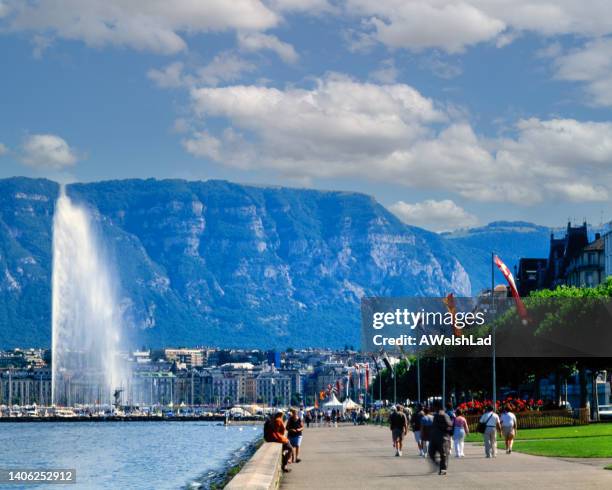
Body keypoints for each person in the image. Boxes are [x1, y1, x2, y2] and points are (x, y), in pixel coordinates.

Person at [428, 401, 453, 475]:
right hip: (434, 438)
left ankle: (443, 469)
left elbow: (449, 425)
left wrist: (443, 429)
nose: (431, 407)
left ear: (436, 407)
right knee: (431, 453)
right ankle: (440, 466)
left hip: (443, 438)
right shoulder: (436, 415)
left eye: (433, 406)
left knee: (443, 454)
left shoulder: (444, 415)